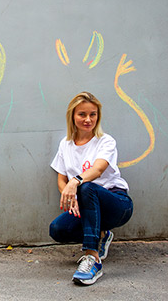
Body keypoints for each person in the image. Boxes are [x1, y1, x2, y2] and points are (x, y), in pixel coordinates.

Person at [49, 91, 133, 285]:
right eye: (82, 114)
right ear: (73, 116)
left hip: (116, 203)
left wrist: (75, 182)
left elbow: (98, 169)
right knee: (57, 229)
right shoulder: (66, 144)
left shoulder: (106, 141)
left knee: (87, 187)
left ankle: (92, 259)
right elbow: (61, 179)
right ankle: (102, 234)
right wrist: (69, 196)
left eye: (93, 114)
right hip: (86, 203)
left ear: (98, 116)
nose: (88, 119)